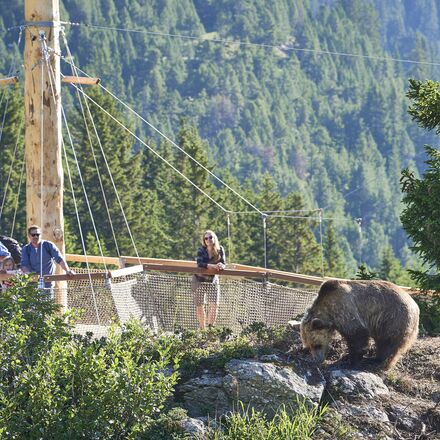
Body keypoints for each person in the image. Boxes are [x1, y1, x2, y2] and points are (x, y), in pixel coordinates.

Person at [21, 225, 75, 294]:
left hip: (48, 284)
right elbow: (24, 265)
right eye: (33, 235)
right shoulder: (26, 249)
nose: (36, 237)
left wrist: (67, 270)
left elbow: (59, 259)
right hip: (32, 285)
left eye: (38, 234)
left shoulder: (48, 245)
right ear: (29, 236)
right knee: (32, 304)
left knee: (47, 303)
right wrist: (28, 274)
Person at [191, 230, 226, 329]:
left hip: (212, 280)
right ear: (204, 240)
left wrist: (221, 265)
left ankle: (211, 329)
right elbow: (200, 264)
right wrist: (213, 266)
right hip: (198, 280)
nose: (208, 240)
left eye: (210, 237)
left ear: (214, 238)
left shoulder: (220, 250)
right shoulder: (201, 250)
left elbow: (223, 263)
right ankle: (203, 329)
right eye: (206, 238)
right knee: (199, 306)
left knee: (214, 305)